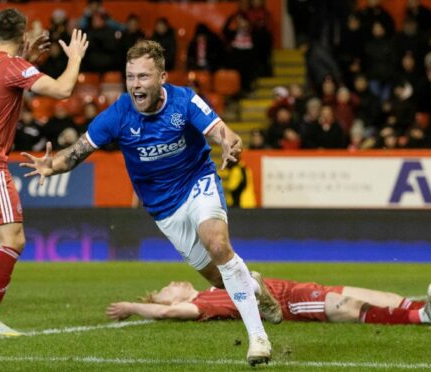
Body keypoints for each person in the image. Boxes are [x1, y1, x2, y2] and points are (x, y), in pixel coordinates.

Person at [20, 40, 278, 367]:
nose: (135, 85)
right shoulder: (118, 114)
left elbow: (222, 133)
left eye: (143, 76)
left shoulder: (184, 100)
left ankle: (258, 339)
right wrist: (51, 165)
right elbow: (77, 152)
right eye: (130, 77)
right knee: (218, 278)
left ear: (162, 78)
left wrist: (229, 144)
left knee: (216, 243)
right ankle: (256, 289)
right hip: (164, 209)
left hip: (197, 182)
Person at [0, 8, 88, 337]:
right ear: (23, 35)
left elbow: (2, 81)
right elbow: (62, 90)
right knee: (14, 240)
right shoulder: (14, 67)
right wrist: (75, 58)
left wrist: (26, 57)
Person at [106, 274, 431, 327]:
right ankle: (423, 318)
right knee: (347, 306)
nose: (173, 283)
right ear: (165, 302)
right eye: (166, 289)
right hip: (290, 302)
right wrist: (133, 308)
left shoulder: (211, 287)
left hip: (298, 286)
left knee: (389, 297)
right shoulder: (202, 305)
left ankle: (422, 309)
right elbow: (172, 313)